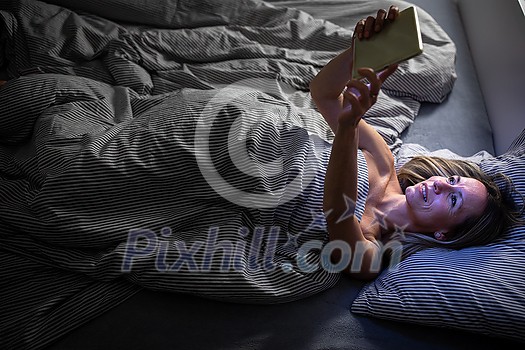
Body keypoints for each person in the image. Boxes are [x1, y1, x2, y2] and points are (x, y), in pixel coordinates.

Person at [310, 5, 522, 280]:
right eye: (454, 181)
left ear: (443, 233)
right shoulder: (384, 160)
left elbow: (337, 211)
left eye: (453, 199)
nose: (441, 183)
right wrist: (359, 53)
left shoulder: (371, 256)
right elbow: (323, 94)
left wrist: (348, 126)